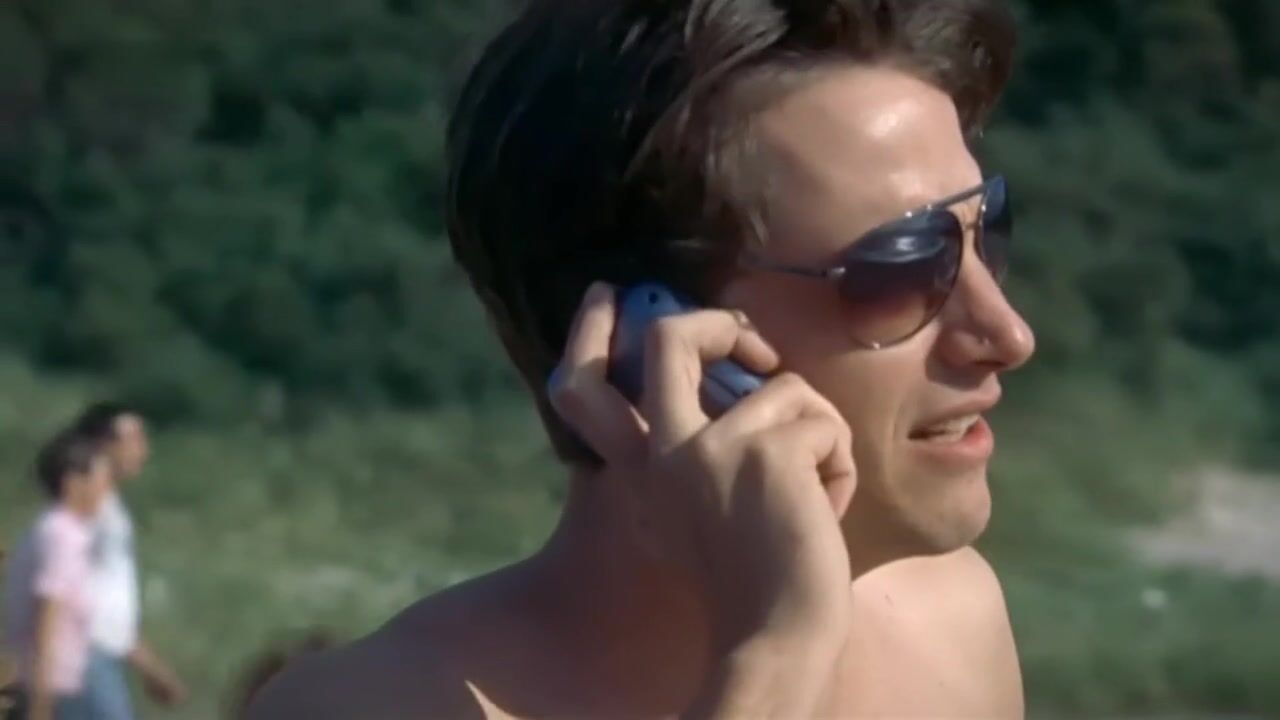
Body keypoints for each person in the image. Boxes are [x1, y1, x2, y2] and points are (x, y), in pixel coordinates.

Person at [249, 0, 1036, 716]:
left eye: (985, 232)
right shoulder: (372, 706)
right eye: (903, 265)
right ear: (639, 343)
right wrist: (775, 654)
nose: (1007, 335)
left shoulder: (949, 623)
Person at [70, 403, 188, 719]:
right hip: (86, 659)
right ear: (101, 444)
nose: (143, 449)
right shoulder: (89, 507)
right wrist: (149, 666)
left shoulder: (108, 510)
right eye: (133, 439)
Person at [4, 432, 114, 720]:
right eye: (102, 479)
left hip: (57, 682)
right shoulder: (62, 537)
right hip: (56, 687)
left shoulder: (54, 530)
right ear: (73, 483)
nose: (107, 489)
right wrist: (42, 698)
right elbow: (48, 612)